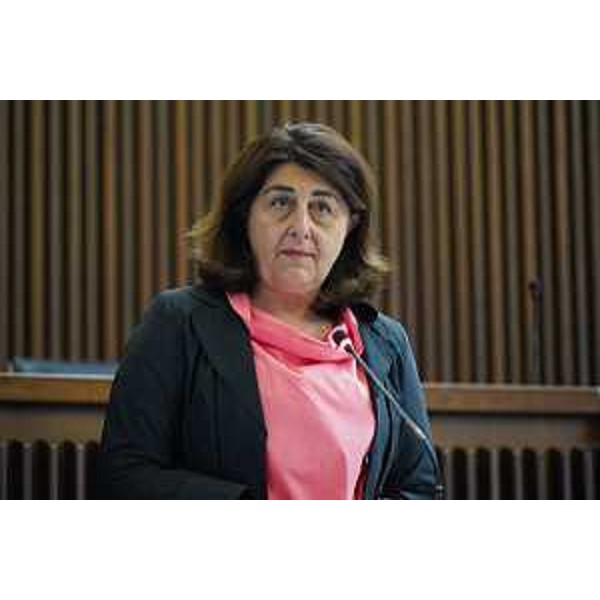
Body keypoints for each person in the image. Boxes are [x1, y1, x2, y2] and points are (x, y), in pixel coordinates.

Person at [96, 122, 438, 499]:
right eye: (280, 203)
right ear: (244, 215)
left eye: (322, 207)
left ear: (350, 226)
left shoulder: (384, 342)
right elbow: (123, 476)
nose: (301, 227)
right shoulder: (178, 323)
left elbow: (418, 487)